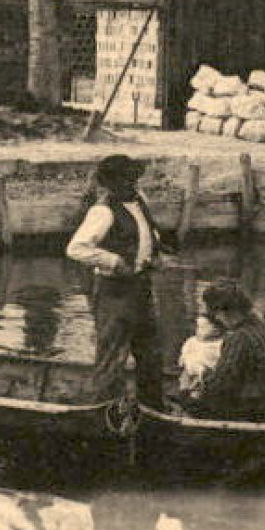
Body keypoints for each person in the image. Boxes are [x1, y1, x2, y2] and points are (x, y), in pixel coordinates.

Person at [66, 154, 177, 409]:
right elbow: (76, 249)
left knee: (150, 351)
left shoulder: (139, 202)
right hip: (113, 291)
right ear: (111, 183)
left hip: (141, 286)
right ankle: (104, 409)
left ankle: (153, 407)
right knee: (112, 353)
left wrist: (155, 255)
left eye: (134, 179)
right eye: (126, 180)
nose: (132, 185)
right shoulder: (103, 211)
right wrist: (113, 261)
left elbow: (150, 232)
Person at [184, 280, 265, 423]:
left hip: (253, 411)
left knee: (185, 401)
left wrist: (201, 383)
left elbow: (222, 384)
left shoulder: (240, 337)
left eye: (216, 313)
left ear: (226, 311)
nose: (217, 318)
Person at [176, 312, 226, 403]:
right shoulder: (192, 341)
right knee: (185, 378)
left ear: (217, 329)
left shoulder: (221, 344)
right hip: (189, 370)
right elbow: (184, 355)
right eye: (197, 327)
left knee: (202, 385)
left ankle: (196, 399)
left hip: (206, 373)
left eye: (203, 327)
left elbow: (220, 361)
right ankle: (183, 394)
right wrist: (184, 360)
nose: (198, 330)